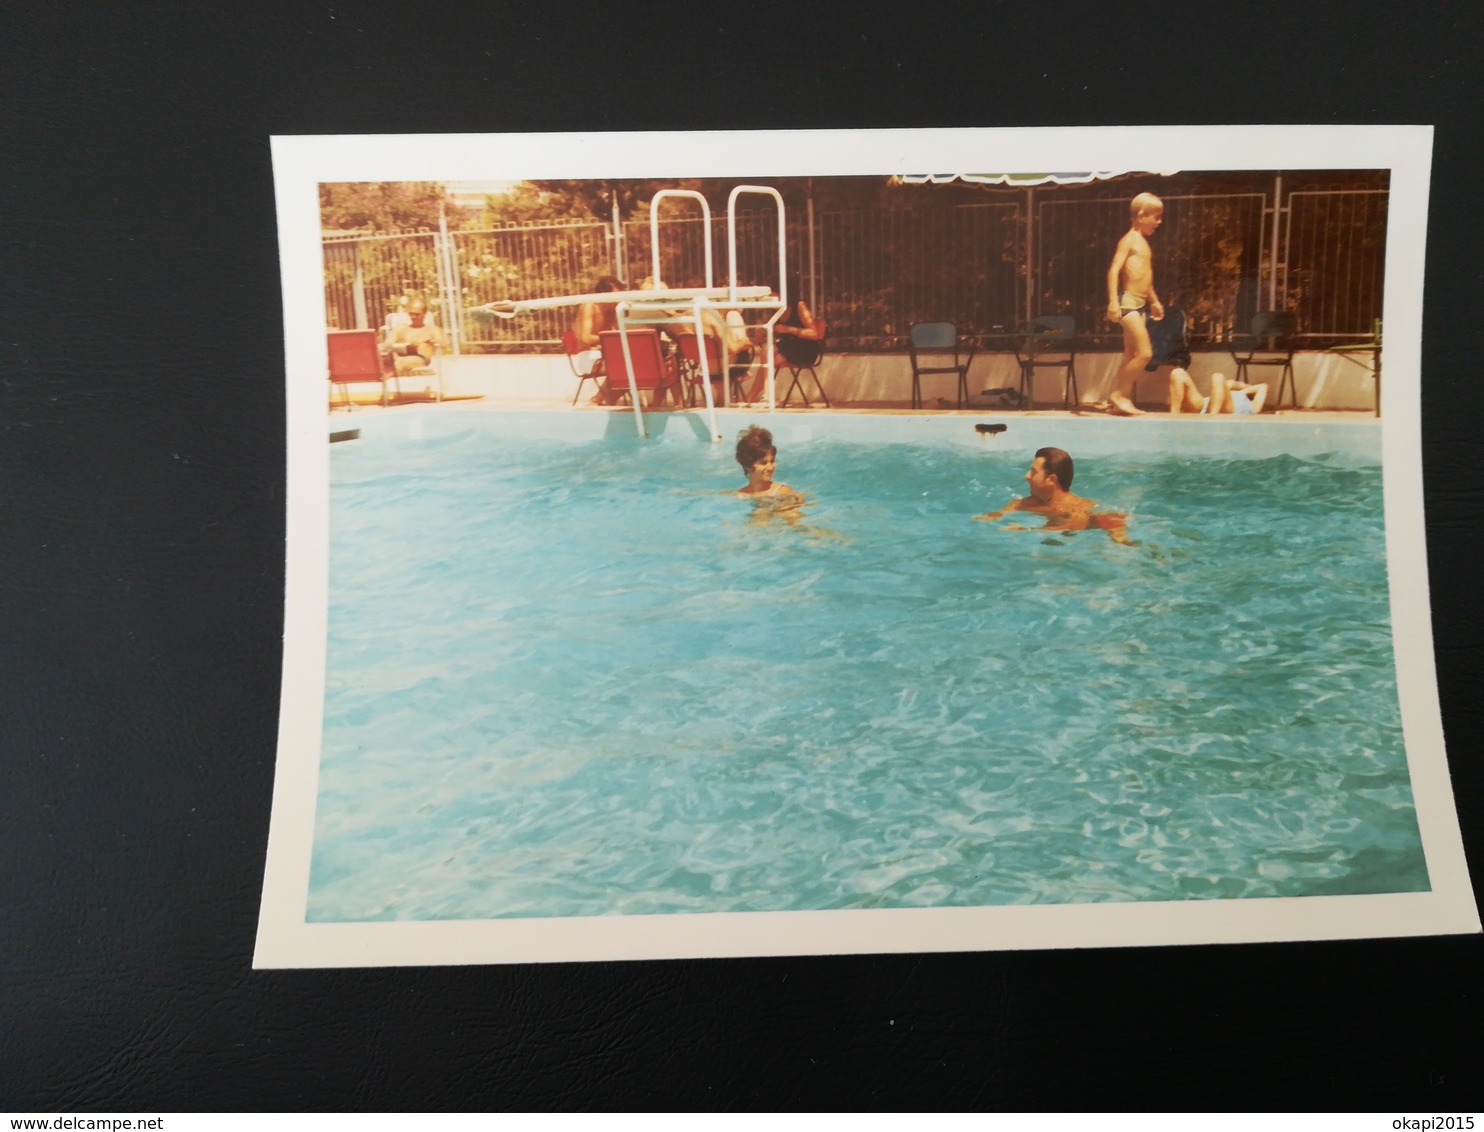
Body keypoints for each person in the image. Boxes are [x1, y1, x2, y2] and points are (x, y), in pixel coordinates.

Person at [973, 446, 1132, 544]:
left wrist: (1027, 530)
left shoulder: (1075, 508)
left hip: (1110, 526)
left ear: (1051, 480)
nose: (1027, 476)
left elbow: (1072, 528)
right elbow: (996, 515)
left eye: (1034, 472)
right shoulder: (1025, 503)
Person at [1105, 193, 1166, 416]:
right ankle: (1119, 394)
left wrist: (1155, 301)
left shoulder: (1143, 243)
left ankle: (1118, 404)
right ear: (1141, 215)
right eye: (1156, 217)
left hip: (1140, 304)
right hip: (1127, 303)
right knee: (1145, 353)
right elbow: (1114, 270)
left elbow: (1145, 279)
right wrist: (1113, 301)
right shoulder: (1129, 240)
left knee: (1131, 355)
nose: (1159, 222)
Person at [745, 274, 822, 402]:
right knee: (766, 350)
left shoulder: (799, 306)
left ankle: (759, 396)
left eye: (772, 292)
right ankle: (760, 396)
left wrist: (790, 329)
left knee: (769, 360)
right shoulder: (777, 309)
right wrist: (764, 332)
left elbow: (814, 334)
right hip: (789, 345)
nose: (769, 296)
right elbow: (777, 330)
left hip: (804, 348)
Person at [734, 424, 809, 524]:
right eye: (763, 463)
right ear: (748, 466)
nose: (770, 467)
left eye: (772, 461)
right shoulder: (740, 495)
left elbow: (796, 523)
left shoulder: (782, 491)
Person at [385, 300, 446, 376]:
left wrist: (428, 341)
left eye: (417, 314)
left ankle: (383, 378)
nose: (413, 317)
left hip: (419, 357)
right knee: (386, 359)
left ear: (424, 314)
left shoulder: (432, 329)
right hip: (398, 356)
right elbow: (387, 344)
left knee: (404, 361)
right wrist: (406, 345)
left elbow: (443, 344)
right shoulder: (400, 328)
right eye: (411, 314)